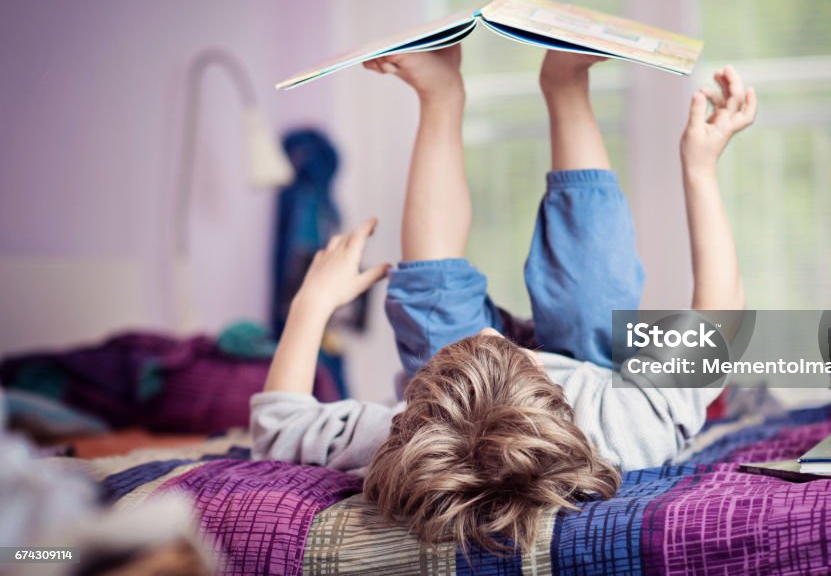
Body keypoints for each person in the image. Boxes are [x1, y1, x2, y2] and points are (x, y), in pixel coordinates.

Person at [251, 45, 757, 552]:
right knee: (591, 294)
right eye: (507, 346)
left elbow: (279, 427)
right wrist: (701, 167)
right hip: (592, 371)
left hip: (457, 410)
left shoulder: (412, 435)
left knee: (434, 310)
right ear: (550, 385)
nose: (495, 330)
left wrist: (312, 303)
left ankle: (441, 93)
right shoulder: (625, 426)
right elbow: (719, 321)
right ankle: (566, 84)